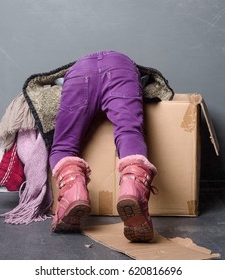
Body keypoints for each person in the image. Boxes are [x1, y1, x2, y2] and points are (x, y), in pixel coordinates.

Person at [49, 50, 158, 242]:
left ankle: (73, 190)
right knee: (128, 132)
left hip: (79, 71)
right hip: (121, 66)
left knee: (63, 145)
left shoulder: (77, 68)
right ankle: (133, 186)